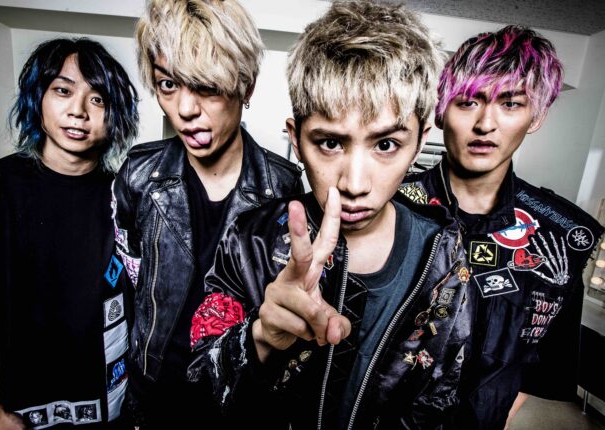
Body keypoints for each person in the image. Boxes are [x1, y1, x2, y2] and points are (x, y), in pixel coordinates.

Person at [188, 1, 472, 428]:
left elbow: (438, 400)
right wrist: (260, 338)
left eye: (386, 145)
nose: (355, 183)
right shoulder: (251, 241)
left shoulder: (443, 254)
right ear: (296, 139)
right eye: (331, 143)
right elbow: (199, 390)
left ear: (419, 142)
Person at [401, 25, 605, 429]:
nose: (485, 123)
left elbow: (543, 365)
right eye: (468, 102)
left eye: (510, 103)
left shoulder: (562, 235)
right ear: (441, 110)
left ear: (536, 116)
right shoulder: (389, 206)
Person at [112, 0, 303, 427]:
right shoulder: (139, 175)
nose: (184, 109)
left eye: (206, 86)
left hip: (236, 395)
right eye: (167, 84)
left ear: (246, 87)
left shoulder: (282, 187)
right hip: (153, 392)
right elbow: (129, 283)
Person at [0, 38, 139, 429]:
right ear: (37, 97)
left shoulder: (129, 199)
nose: (78, 111)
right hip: (19, 412)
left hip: (112, 408)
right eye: (63, 90)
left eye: (98, 99)